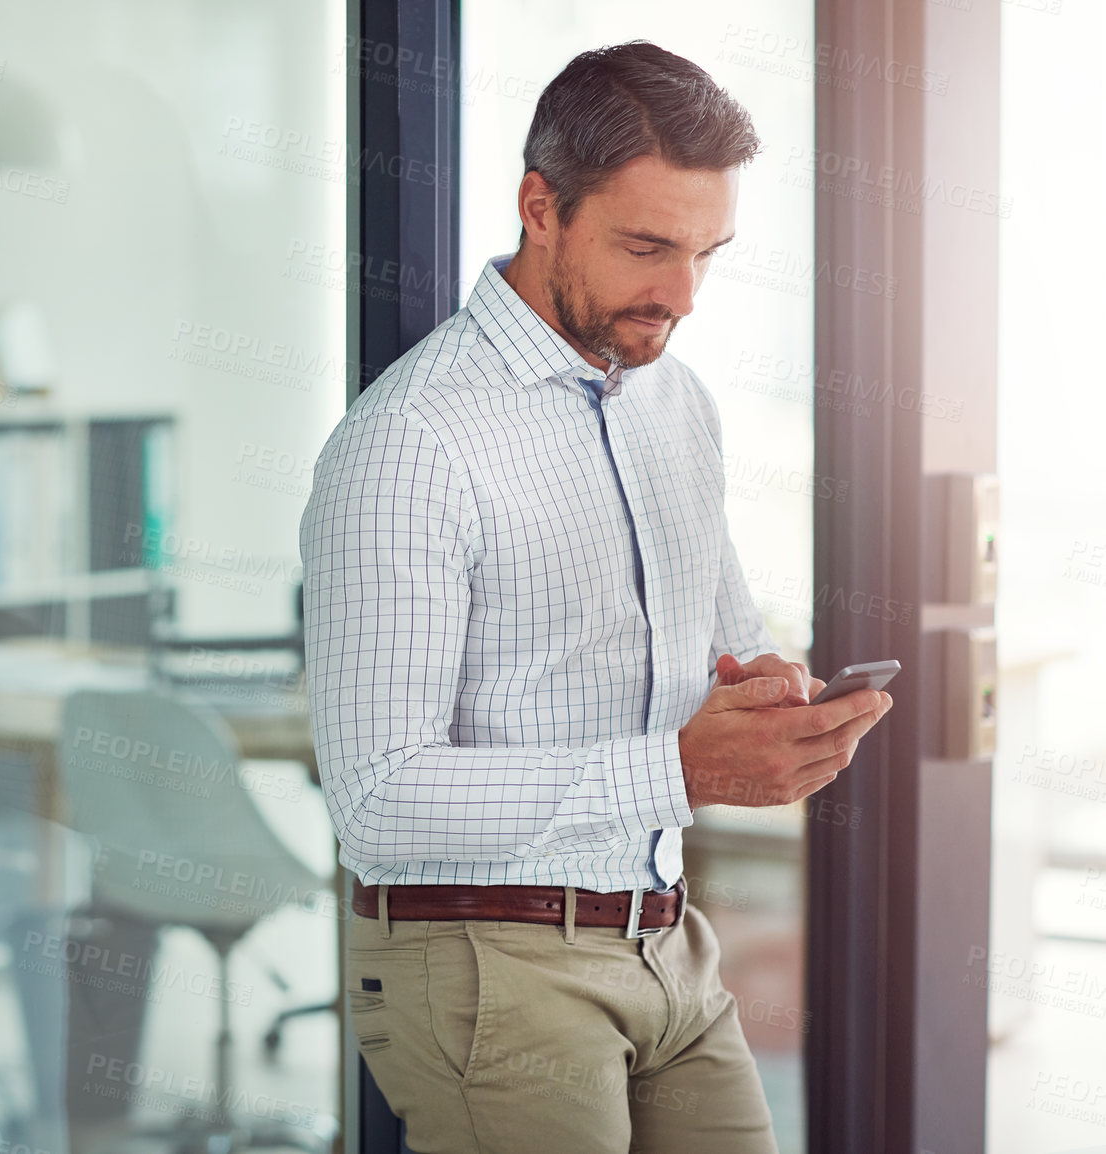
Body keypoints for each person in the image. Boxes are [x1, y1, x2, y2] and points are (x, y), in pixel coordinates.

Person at [298, 40, 893, 1153]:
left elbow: (725, 641)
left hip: (664, 936)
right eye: (644, 246)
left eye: (706, 253)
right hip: (486, 962)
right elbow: (375, 800)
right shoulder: (409, 444)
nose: (679, 293)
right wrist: (674, 767)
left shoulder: (674, 401)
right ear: (540, 206)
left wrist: (768, 695)